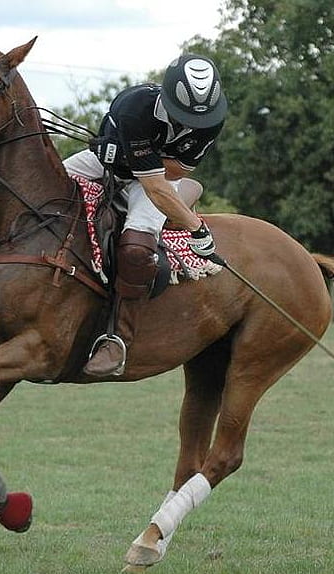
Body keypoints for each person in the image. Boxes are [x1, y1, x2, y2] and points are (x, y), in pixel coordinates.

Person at [63, 54, 227, 377]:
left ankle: (117, 340)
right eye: (184, 115)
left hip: (159, 181)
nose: (192, 124)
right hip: (105, 163)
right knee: (46, 193)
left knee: (137, 248)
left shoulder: (213, 120)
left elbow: (171, 173)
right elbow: (153, 174)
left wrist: (145, 161)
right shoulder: (135, 108)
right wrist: (196, 226)